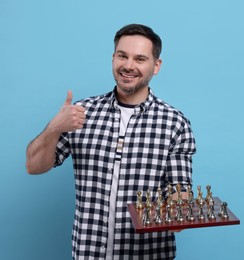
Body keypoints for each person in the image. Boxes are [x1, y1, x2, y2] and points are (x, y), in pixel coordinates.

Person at [26, 24, 196, 259]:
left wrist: (180, 211)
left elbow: (179, 188)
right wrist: (54, 127)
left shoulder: (174, 123)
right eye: (122, 56)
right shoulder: (81, 113)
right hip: (88, 254)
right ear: (113, 58)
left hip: (148, 255)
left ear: (156, 66)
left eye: (140, 59)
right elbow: (33, 166)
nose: (128, 66)